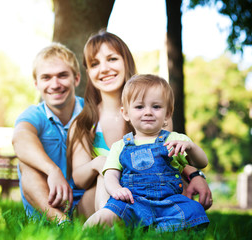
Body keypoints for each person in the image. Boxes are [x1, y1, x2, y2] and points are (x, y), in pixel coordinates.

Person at [67, 30, 213, 214]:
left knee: (168, 179)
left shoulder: (152, 114)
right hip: (98, 199)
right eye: (95, 64)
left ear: (126, 61)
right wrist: (101, 163)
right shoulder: (84, 123)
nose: (104, 68)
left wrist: (196, 175)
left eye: (112, 59)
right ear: (88, 72)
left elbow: (171, 156)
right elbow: (79, 178)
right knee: (106, 175)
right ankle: (108, 230)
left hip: (148, 194)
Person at [83, 74, 210, 231]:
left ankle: (159, 228)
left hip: (168, 202)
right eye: (139, 107)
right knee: (107, 214)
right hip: (132, 201)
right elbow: (110, 175)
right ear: (126, 113)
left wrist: (190, 147)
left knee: (194, 210)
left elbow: (202, 163)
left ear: (168, 113)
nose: (148, 112)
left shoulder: (176, 139)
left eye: (156, 107)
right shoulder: (120, 146)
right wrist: (116, 189)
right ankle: (84, 232)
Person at [12, 43, 95, 223]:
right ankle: (62, 223)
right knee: (26, 164)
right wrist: (52, 170)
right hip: (48, 206)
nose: (55, 84)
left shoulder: (92, 112)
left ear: (77, 79)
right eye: (46, 78)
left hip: (88, 203)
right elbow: (20, 139)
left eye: (62, 75)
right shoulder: (34, 115)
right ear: (37, 84)